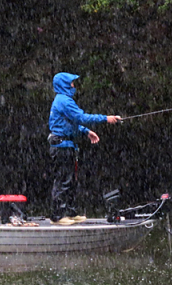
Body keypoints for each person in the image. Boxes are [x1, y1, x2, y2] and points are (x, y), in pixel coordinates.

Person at [48, 72, 121, 225]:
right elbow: (82, 117)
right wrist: (106, 118)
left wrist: (86, 131)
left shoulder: (63, 100)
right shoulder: (64, 101)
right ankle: (58, 216)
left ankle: (71, 212)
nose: (74, 85)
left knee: (72, 181)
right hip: (62, 146)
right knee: (63, 180)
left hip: (68, 145)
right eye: (72, 83)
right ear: (65, 84)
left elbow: (71, 122)